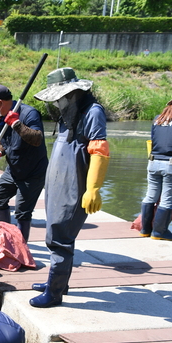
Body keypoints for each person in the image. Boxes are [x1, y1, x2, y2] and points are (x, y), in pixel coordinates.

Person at [30, 67, 109, 308]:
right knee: (56, 234)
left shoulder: (92, 112)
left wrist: (93, 188)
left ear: (73, 93)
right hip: (58, 187)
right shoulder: (68, 116)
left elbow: (100, 151)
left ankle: (54, 294)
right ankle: (58, 283)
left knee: (60, 238)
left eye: (60, 98)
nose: (57, 103)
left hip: (75, 188)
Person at [0, 84, 48, 242]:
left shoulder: (29, 113)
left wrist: (16, 124)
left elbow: (37, 139)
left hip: (33, 172)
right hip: (14, 168)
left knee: (22, 211)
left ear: (0, 103)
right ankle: (3, 234)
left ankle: (20, 245)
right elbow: (4, 142)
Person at [139, 88, 172, 241]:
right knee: (166, 200)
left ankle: (145, 229)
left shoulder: (159, 118)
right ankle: (159, 232)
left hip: (153, 162)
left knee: (150, 196)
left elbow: (154, 141)